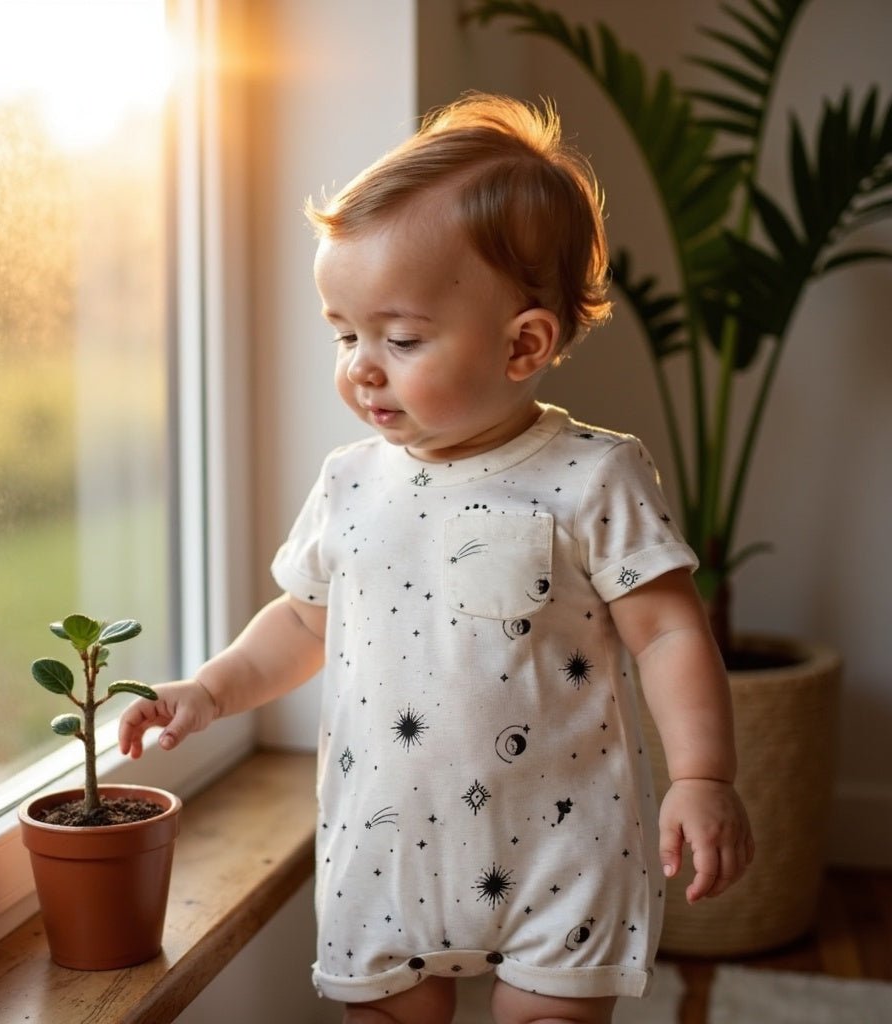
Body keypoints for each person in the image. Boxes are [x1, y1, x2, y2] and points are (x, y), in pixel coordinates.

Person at [118, 93, 753, 1024]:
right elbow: (304, 618)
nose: (361, 367)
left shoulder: (593, 477)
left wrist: (704, 775)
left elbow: (666, 635)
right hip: (386, 848)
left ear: (525, 342)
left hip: (560, 844)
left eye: (401, 339)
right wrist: (208, 693)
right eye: (345, 334)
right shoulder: (350, 482)